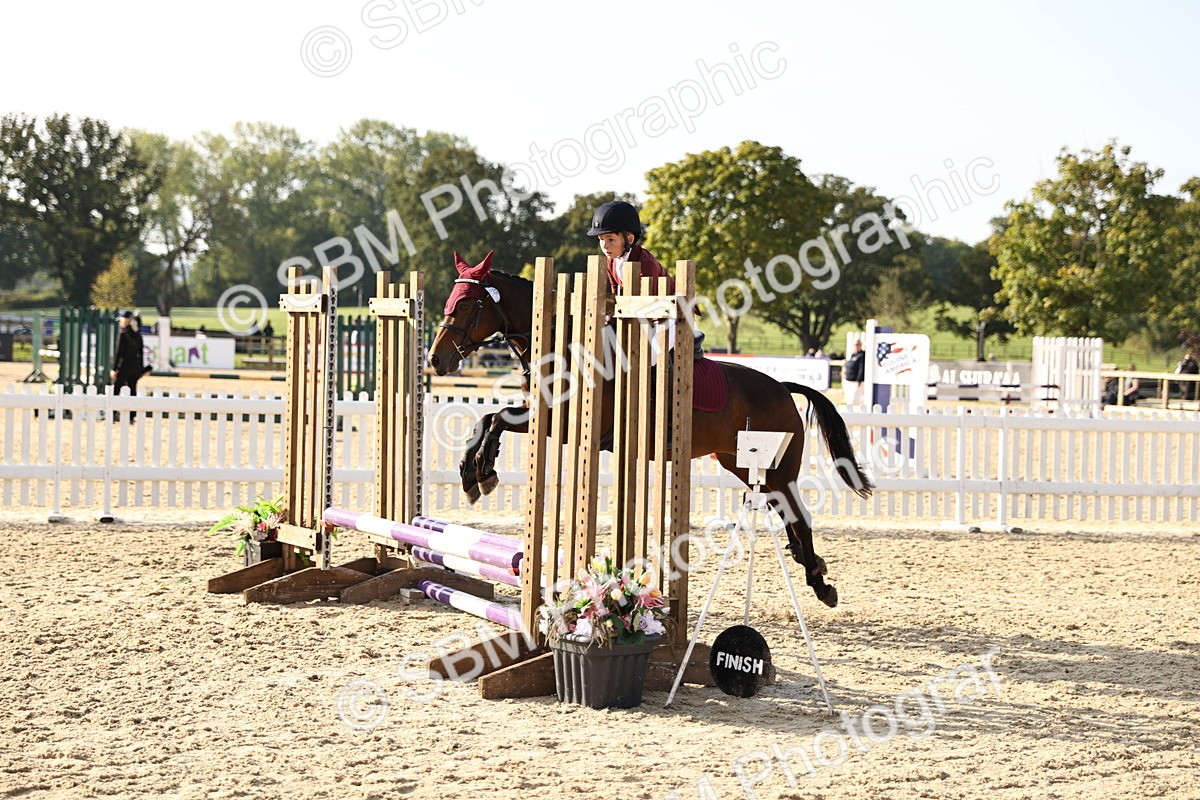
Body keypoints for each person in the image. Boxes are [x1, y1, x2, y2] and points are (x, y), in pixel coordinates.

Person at [587, 200, 672, 295]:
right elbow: (615, 294)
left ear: (629, 239)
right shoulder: (611, 262)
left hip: (670, 302)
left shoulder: (646, 263)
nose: (604, 246)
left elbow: (651, 299)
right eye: (601, 239)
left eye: (611, 239)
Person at [110, 310, 145, 422]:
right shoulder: (138, 335)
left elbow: (119, 353)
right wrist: (140, 369)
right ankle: (132, 415)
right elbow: (141, 353)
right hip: (135, 367)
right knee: (132, 390)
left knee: (116, 389)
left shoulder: (123, 334)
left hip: (125, 366)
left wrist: (114, 369)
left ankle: (113, 413)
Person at [843, 339, 866, 406]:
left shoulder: (862, 355)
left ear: (861, 345)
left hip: (856, 381)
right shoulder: (853, 355)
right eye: (855, 345)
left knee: (854, 399)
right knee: (848, 399)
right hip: (849, 380)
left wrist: (859, 380)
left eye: (858, 345)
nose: (856, 346)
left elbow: (861, 368)